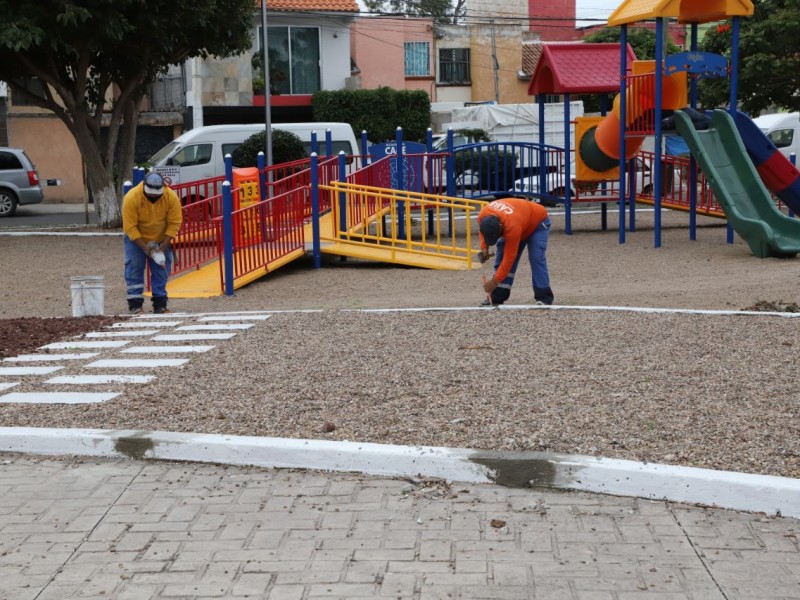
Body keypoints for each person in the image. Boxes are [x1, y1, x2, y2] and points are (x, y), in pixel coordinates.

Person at [121, 172, 183, 314]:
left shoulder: (171, 197)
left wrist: (163, 245)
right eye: (150, 193)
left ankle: (160, 304)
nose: (153, 196)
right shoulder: (132, 197)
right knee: (134, 268)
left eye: (157, 193)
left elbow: (175, 223)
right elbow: (130, 226)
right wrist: (144, 248)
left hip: (161, 239)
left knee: (161, 270)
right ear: (144, 187)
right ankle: (135, 305)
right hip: (136, 240)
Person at [477, 198, 554, 306]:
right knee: (501, 257)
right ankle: (497, 297)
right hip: (520, 218)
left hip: (538, 222)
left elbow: (509, 258)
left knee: (536, 258)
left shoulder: (512, 226)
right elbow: (483, 233)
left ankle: (544, 297)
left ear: (500, 227)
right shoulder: (483, 215)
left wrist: (495, 282)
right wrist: (484, 247)